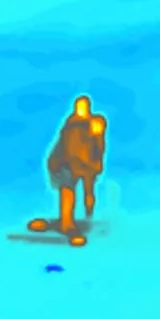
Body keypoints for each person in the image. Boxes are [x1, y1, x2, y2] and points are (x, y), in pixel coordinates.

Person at [33, 95, 107, 239]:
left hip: (80, 164)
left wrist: (89, 208)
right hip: (61, 163)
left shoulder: (94, 132)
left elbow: (97, 154)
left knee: (86, 188)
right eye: (80, 107)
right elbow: (72, 152)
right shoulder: (73, 126)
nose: (82, 110)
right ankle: (66, 224)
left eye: (85, 108)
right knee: (68, 190)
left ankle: (81, 217)